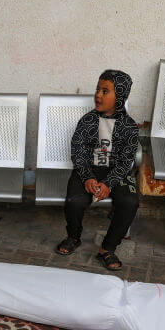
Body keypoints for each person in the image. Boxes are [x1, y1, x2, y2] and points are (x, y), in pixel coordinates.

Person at [56, 70, 140, 270]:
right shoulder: (87, 121)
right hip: (88, 170)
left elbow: (127, 160)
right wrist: (87, 177)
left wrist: (108, 183)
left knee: (130, 201)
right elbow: (78, 151)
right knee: (74, 201)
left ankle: (108, 248)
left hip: (117, 173)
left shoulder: (129, 126)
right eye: (97, 89)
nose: (98, 95)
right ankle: (73, 237)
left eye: (105, 91)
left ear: (119, 95)